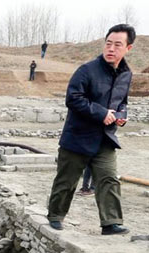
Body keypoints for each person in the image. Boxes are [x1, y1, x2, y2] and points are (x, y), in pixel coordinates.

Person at [46, 24, 135, 236]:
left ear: (128, 48)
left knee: (109, 179)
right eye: (108, 44)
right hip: (78, 136)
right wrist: (101, 112)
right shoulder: (87, 70)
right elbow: (73, 99)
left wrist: (121, 115)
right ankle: (55, 215)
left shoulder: (126, 74)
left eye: (117, 45)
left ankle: (111, 222)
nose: (111, 48)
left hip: (105, 138)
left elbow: (122, 101)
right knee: (67, 180)